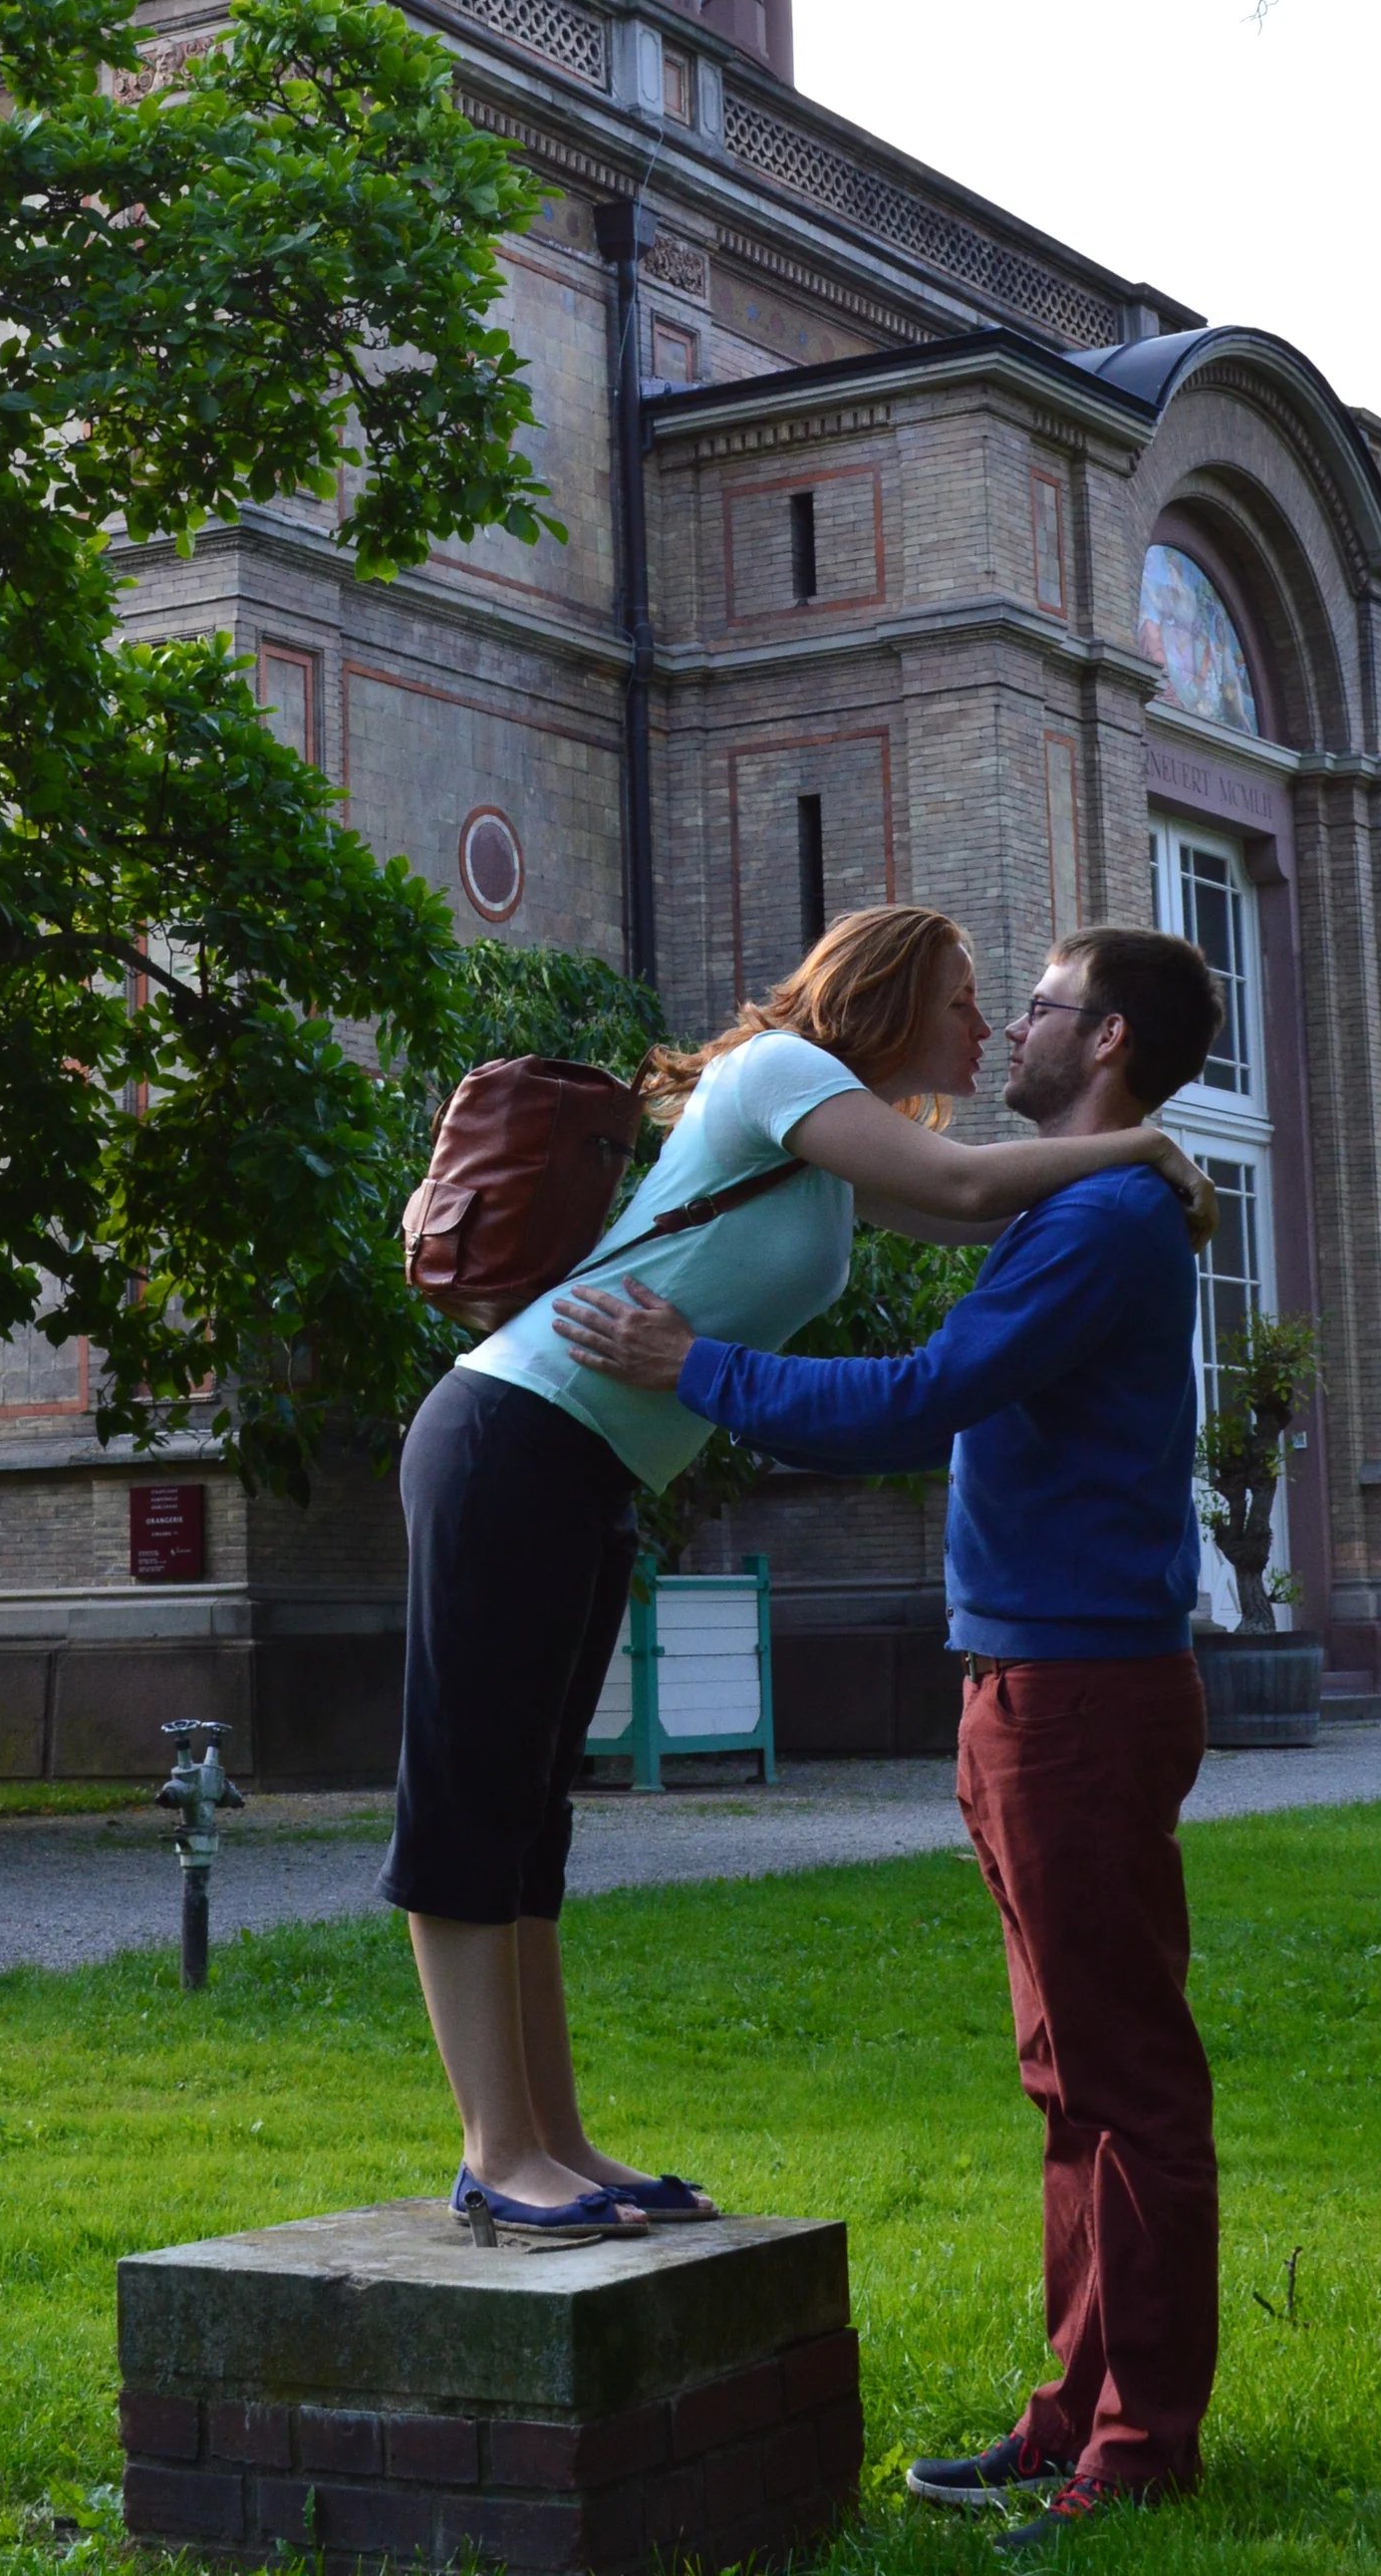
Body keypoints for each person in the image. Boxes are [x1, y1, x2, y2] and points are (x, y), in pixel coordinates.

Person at [379, 906, 1218, 2244]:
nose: (987, 1026)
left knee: (533, 1816)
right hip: (511, 1433)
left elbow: (982, 1207)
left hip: (587, 1467)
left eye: (1005, 1005)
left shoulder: (832, 1153)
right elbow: (967, 1190)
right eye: (963, 998)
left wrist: (1128, 1162)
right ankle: (496, 2153)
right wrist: (1150, 1144)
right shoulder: (780, 1074)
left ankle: (559, 2143)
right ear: (889, 995)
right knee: (471, 1799)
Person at [555, 926, 1226, 2552]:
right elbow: (937, 1208)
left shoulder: (1108, 1219)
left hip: (1075, 1695)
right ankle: (1075, 2412)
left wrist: (696, 1366)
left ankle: (1139, 2450)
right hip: (1032, 1684)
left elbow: (923, 1398)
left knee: (1121, 2079)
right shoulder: (1080, 1197)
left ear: (1108, 1037)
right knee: (1067, 2075)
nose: (1015, 1027)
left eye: (1039, 1004)